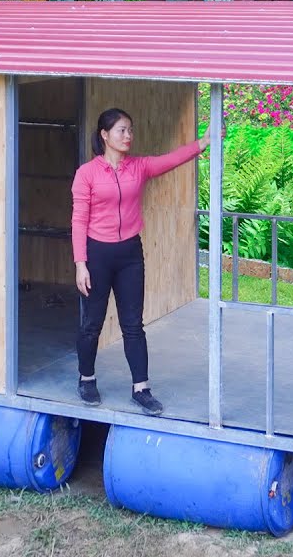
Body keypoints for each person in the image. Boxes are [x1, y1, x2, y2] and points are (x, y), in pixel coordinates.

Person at [71, 108, 210, 416]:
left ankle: (141, 389)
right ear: (105, 135)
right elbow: (79, 220)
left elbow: (171, 159)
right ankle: (87, 378)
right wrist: (81, 263)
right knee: (92, 324)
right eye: (122, 130)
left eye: (130, 130)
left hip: (130, 254)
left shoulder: (139, 167)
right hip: (97, 254)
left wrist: (202, 143)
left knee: (133, 325)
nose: (128, 136)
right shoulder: (87, 174)